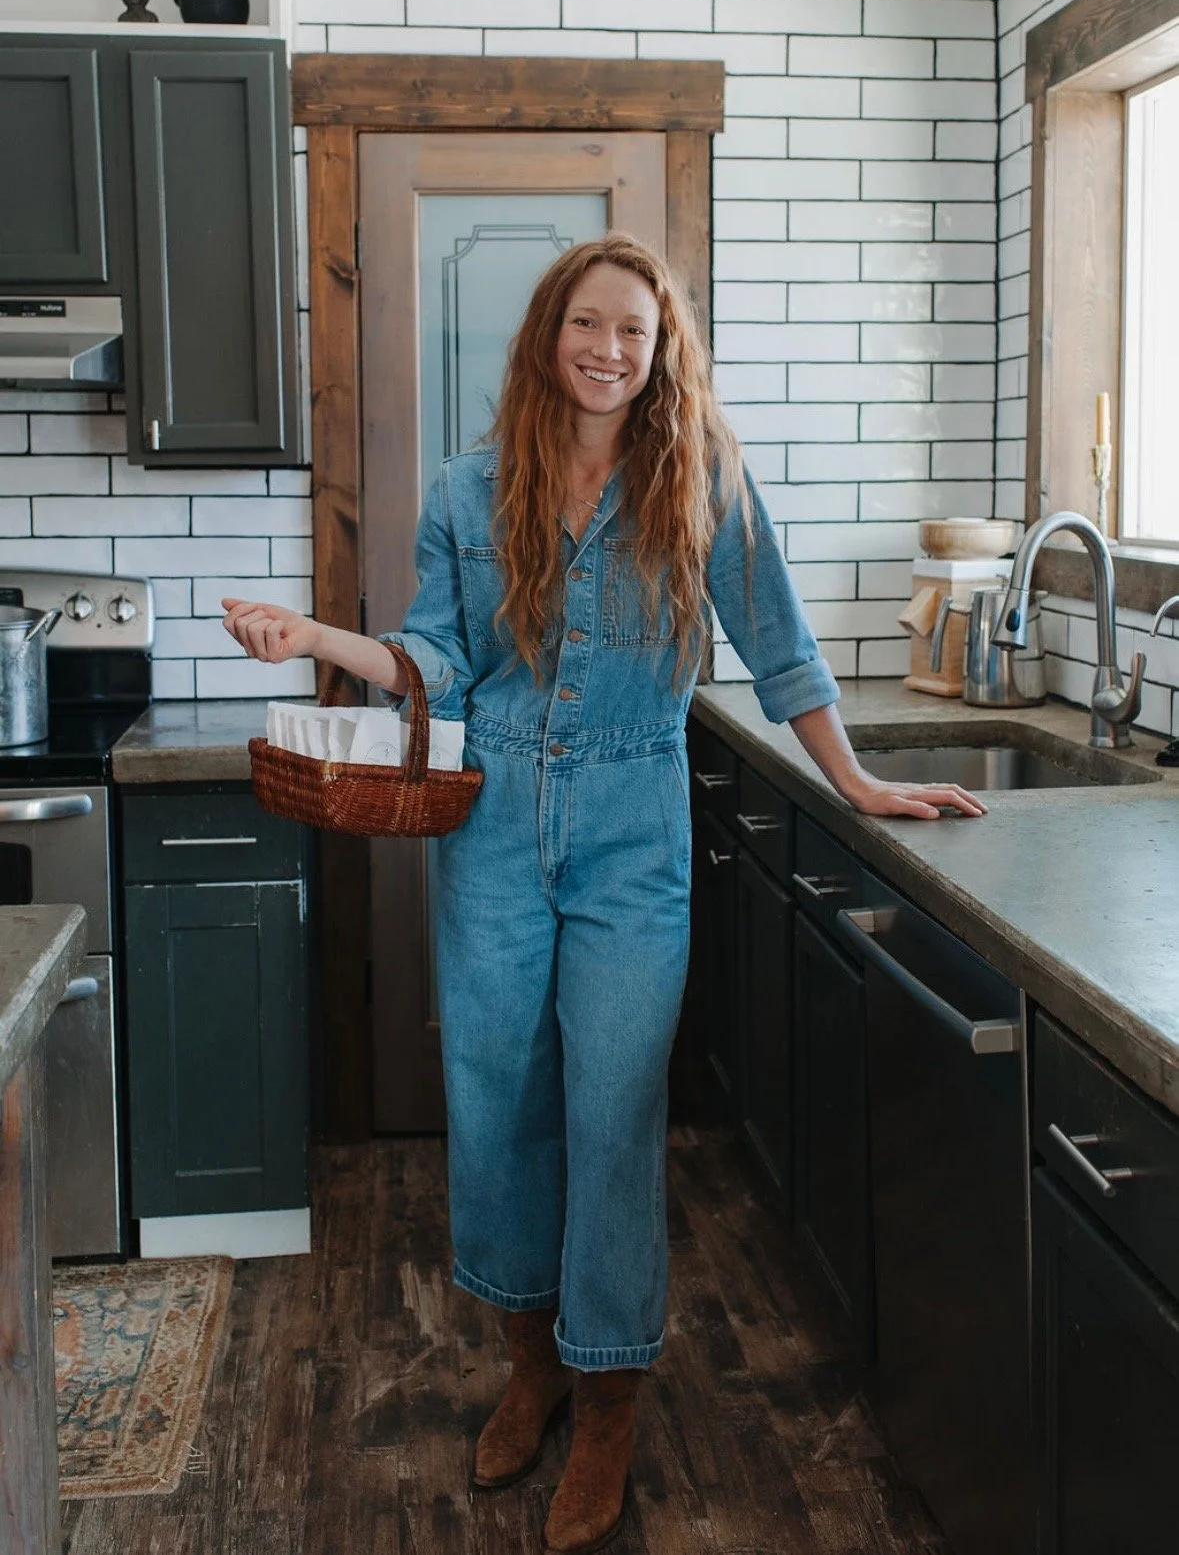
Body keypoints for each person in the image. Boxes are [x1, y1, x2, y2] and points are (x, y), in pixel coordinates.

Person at [223, 233, 984, 1555]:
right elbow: (437, 660)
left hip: (636, 826)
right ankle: (535, 1363)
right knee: (499, 1096)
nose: (609, 349)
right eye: (589, 323)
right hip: (497, 830)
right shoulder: (471, 488)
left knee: (616, 1107)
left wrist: (858, 783)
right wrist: (312, 640)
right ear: (548, 334)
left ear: (661, 352)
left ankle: (614, 1390)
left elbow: (782, 649)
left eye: (635, 332)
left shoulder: (702, 483)